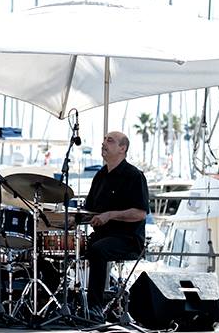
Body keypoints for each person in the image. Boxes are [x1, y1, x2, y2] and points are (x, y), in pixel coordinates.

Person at [83, 131, 149, 322]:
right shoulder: (100, 175)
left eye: (109, 141)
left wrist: (110, 215)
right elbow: (89, 210)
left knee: (97, 249)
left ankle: (95, 307)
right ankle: (66, 303)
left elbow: (141, 213)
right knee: (73, 247)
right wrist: (68, 219)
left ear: (122, 148)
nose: (104, 143)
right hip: (103, 236)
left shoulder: (134, 176)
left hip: (128, 239)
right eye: (104, 139)